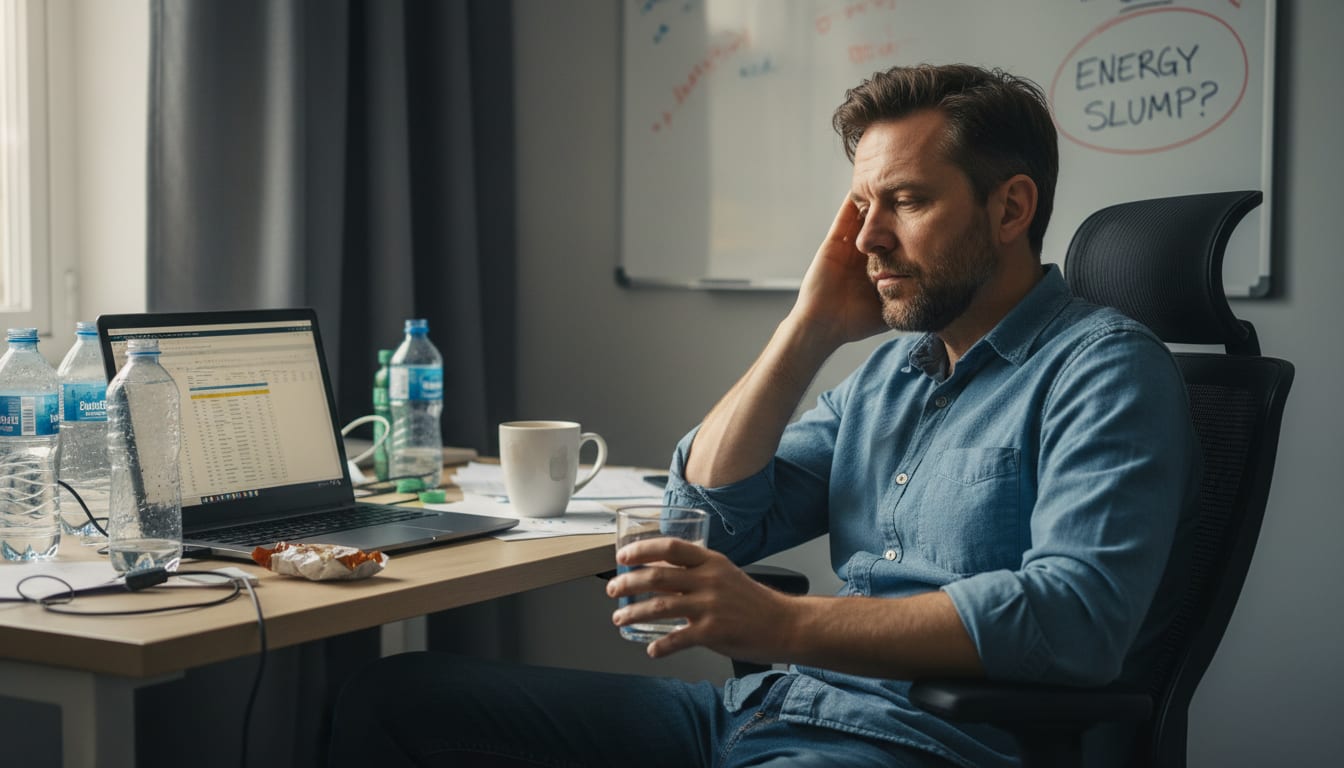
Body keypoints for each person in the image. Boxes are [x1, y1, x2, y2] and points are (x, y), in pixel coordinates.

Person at [327, 63, 1199, 768]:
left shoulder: (1105, 371)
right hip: (772, 709)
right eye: (863, 207)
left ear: (1010, 208)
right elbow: (710, 522)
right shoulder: (894, 370)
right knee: (393, 698)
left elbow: (1074, 617)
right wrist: (807, 328)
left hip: (916, 743)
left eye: (908, 201)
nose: (867, 240)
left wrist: (781, 625)